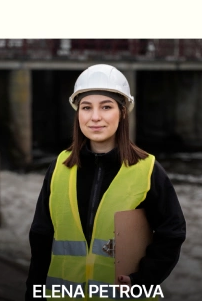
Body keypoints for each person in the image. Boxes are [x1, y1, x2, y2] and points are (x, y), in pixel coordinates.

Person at [26, 64, 186, 299]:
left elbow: (172, 234)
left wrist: (142, 279)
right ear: (78, 113)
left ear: (123, 112)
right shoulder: (59, 167)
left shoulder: (148, 170)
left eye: (106, 107)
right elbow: (40, 238)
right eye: (86, 107)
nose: (95, 117)